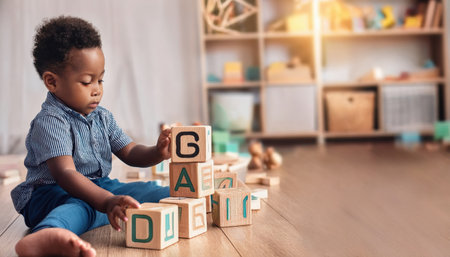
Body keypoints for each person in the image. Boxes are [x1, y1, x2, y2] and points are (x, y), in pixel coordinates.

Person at [11, 16, 171, 257]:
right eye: (87, 82)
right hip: (51, 194)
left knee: (142, 192)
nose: (97, 89)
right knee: (79, 208)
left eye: (100, 79)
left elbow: (129, 152)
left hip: (97, 186)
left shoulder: (103, 117)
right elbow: (66, 175)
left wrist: (157, 152)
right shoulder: (51, 121)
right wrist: (106, 202)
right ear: (52, 82)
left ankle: (188, 198)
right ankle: (45, 234)